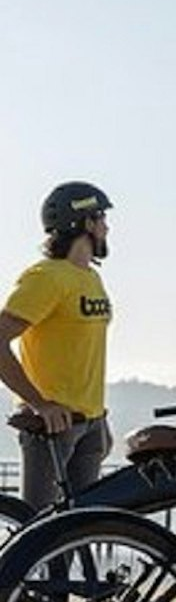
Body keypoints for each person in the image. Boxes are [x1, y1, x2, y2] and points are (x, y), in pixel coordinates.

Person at [0, 182, 113, 510]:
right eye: (102, 217)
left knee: (79, 533)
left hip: (90, 424)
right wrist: (39, 404)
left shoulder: (91, 278)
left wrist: (99, 417)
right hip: (52, 427)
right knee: (37, 533)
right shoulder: (46, 277)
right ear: (86, 223)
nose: (107, 226)